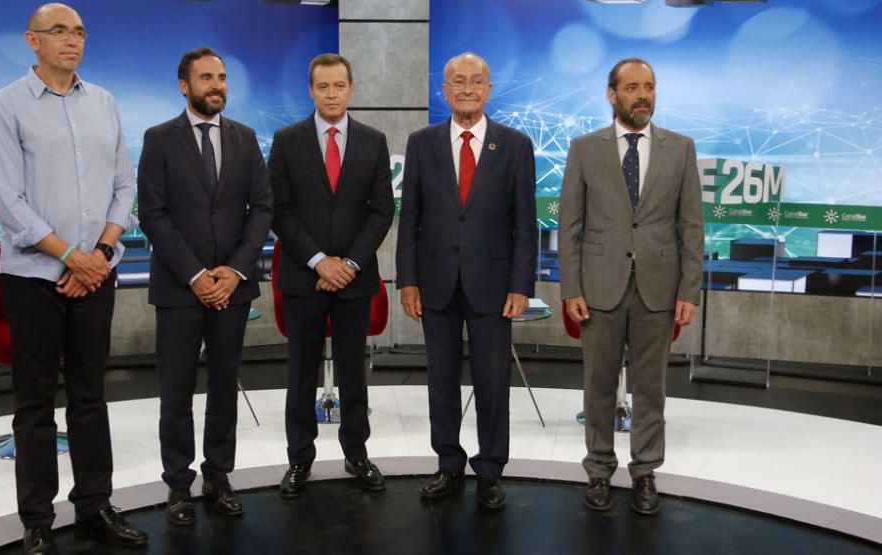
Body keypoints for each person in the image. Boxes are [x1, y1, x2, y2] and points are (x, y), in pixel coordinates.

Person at [0, 3, 146, 554]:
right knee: (34, 404)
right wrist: (69, 257)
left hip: (96, 273)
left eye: (79, 32)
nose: (72, 41)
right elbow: (10, 201)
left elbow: (124, 187)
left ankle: (96, 507)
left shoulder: (103, 102)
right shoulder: (6, 105)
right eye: (59, 32)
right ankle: (36, 520)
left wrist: (98, 254)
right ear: (32, 40)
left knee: (90, 397)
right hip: (32, 277)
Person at [558, 57, 703, 515]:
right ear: (612, 94)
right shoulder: (584, 148)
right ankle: (599, 469)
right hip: (599, 287)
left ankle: (644, 471)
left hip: (659, 288)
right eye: (634, 87)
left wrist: (688, 291)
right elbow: (569, 225)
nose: (644, 95)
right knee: (598, 386)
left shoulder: (681, 149)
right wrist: (570, 289)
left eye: (650, 87)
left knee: (651, 388)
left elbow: (692, 227)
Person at [137, 47, 273, 526]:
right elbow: (152, 215)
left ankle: (218, 477)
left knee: (223, 388)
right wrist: (197, 275)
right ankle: (178, 483)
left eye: (221, 77)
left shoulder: (245, 137)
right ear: (184, 85)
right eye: (206, 78)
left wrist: (234, 272)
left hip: (231, 289)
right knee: (176, 391)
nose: (217, 85)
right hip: (179, 289)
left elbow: (263, 207)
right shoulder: (158, 140)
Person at [396, 52, 536, 510]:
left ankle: (491, 469)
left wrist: (521, 285)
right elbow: (410, 218)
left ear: (489, 90)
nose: (468, 88)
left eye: (477, 81)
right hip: (435, 282)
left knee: (493, 381)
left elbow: (524, 223)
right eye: (459, 81)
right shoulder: (422, 143)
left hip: (495, 285)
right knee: (441, 379)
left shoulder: (514, 145)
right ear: (445, 90)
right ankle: (448, 464)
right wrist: (407, 280)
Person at [268, 53, 395, 498]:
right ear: (311, 91)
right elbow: (278, 212)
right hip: (304, 277)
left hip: (355, 279)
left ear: (351, 88)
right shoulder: (287, 140)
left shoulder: (373, 141)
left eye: (339, 85)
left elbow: (382, 211)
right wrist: (320, 261)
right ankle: (299, 459)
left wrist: (348, 265)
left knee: (353, 372)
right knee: (300, 373)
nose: (331, 94)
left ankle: (357, 454)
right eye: (323, 87)